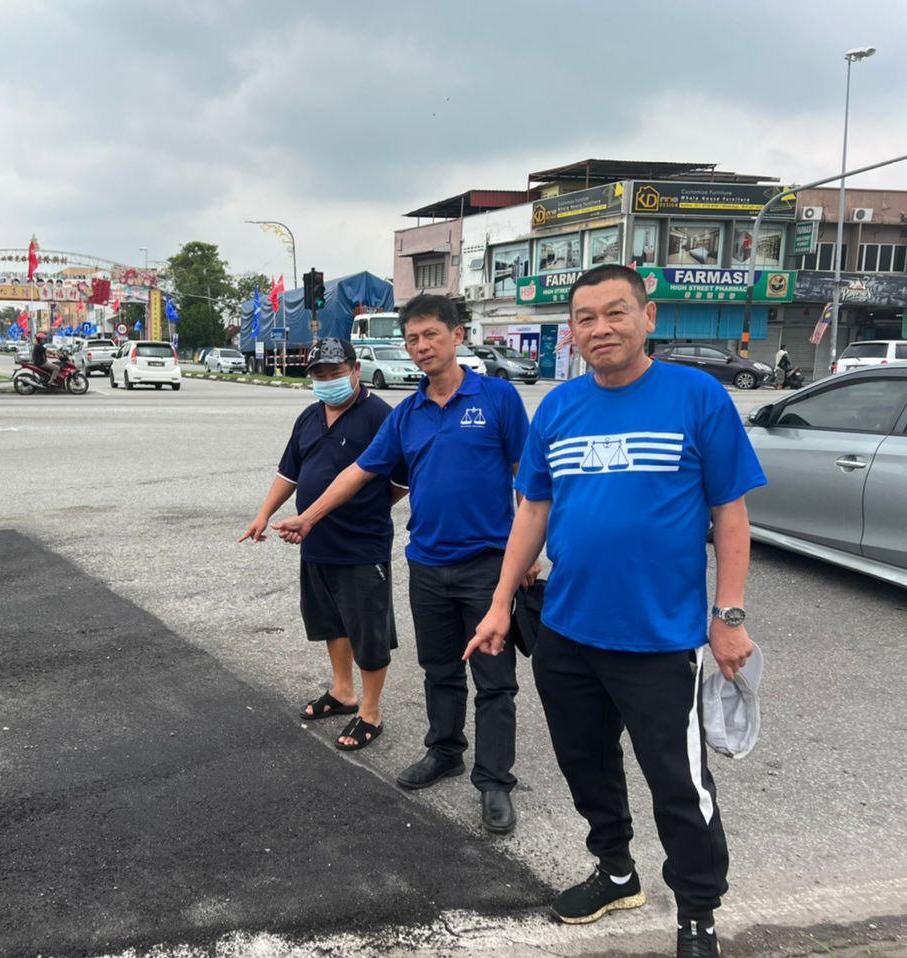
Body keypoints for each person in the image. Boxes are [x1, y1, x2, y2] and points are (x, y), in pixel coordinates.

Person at [464, 264, 765, 958]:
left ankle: (697, 912)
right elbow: (533, 510)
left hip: (660, 640)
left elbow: (731, 513)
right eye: (586, 318)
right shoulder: (560, 409)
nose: (600, 329)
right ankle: (617, 870)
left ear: (648, 317)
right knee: (585, 763)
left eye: (615, 313)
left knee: (680, 784)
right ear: (572, 331)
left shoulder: (698, 396)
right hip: (568, 633)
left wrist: (730, 615)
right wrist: (501, 602)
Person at [274, 295, 537, 834]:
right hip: (427, 563)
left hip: (489, 564)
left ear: (456, 336)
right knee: (439, 670)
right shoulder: (407, 414)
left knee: (494, 679)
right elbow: (358, 472)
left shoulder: (498, 397)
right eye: (412, 339)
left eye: (430, 336)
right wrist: (310, 518)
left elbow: (528, 480)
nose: (421, 348)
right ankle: (444, 751)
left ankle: (493, 782)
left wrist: (528, 555)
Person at [240, 338, 407, 750]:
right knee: (330, 619)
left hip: (361, 544)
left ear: (354, 370)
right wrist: (263, 513)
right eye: (319, 374)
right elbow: (290, 472)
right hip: (314, 540)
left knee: (368, 627)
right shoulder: (310, 417)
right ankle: (343, 691)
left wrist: (365, 506)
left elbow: (401, 481)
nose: (328, 380)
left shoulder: (379, 416)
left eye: (335, 372)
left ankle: (370, 711)